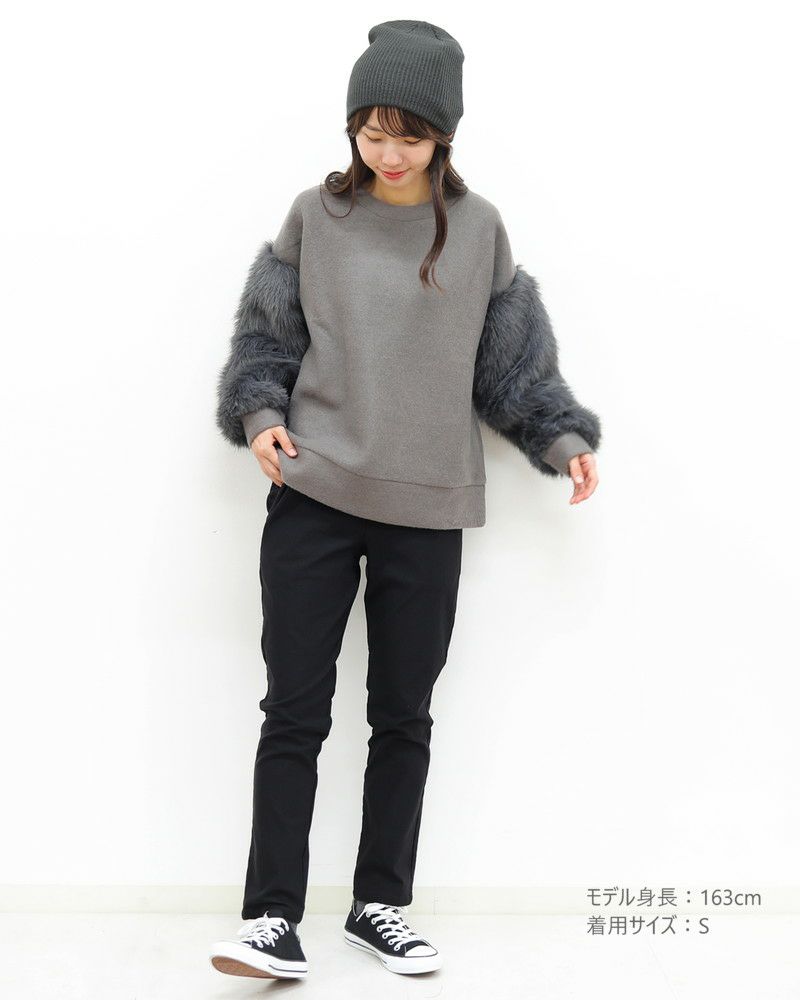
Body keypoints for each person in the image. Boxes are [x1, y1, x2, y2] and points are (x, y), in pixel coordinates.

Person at [210, 19, 602, 981]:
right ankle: (271, 919)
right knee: (293, 711)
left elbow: (512, 368)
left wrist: (562, 440)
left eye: (410, 137)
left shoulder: (479, 230)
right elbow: (266, 339)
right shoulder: (315, 216)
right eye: (372, 132)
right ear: (352, 127)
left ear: (444, 136)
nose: (388, 153)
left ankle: (379, 906)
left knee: (403, 717)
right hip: (314, 490)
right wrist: (260, 416)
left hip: (427, 504)